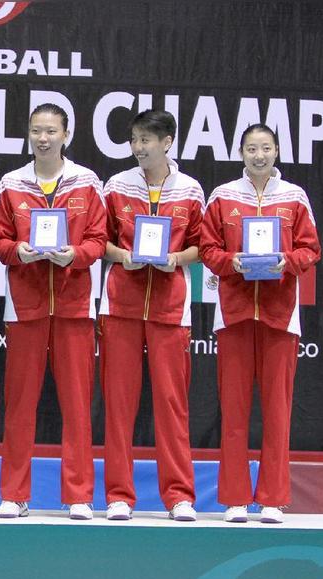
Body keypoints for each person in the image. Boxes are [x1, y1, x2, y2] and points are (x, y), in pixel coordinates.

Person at [0, 103, 108, 520]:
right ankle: (14, 493)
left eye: (51, 131)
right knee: (19, 404)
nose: (43, 138)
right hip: (25, 306)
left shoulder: (87, 182)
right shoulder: (11, 183)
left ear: (66, 135)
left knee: (77, 404)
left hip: (75, 304)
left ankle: (79, 494)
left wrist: (75, 254)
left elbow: (99, 239)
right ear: (28, 134)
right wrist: (17, 251)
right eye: (36, 131)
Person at [200, 124, 321, 524]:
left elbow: (311, 248)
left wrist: (288, 261)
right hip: (234, 313)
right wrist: (229, 261)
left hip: (279, 315)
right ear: (241, 153)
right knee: (233, 412)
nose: (259, 155)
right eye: (252, 149)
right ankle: (235, 498)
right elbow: (207, 248)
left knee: (277, 412)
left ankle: (272, 498)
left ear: (277, 151)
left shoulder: (294, 197)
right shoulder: (223, 196)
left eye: (265, 148)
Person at [99, 109, 205, 522]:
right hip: (121, 305)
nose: (138, 147)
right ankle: (118, 495)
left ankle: (179, 496)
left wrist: (176, 259)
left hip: (170, 309)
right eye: (134, 140)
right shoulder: (116, 185)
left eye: (146, 140)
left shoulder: (191, 189)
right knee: (118, 405)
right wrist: (121, 255)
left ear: (167, 143)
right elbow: (98, 239)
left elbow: (203, 246)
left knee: (172, 405)